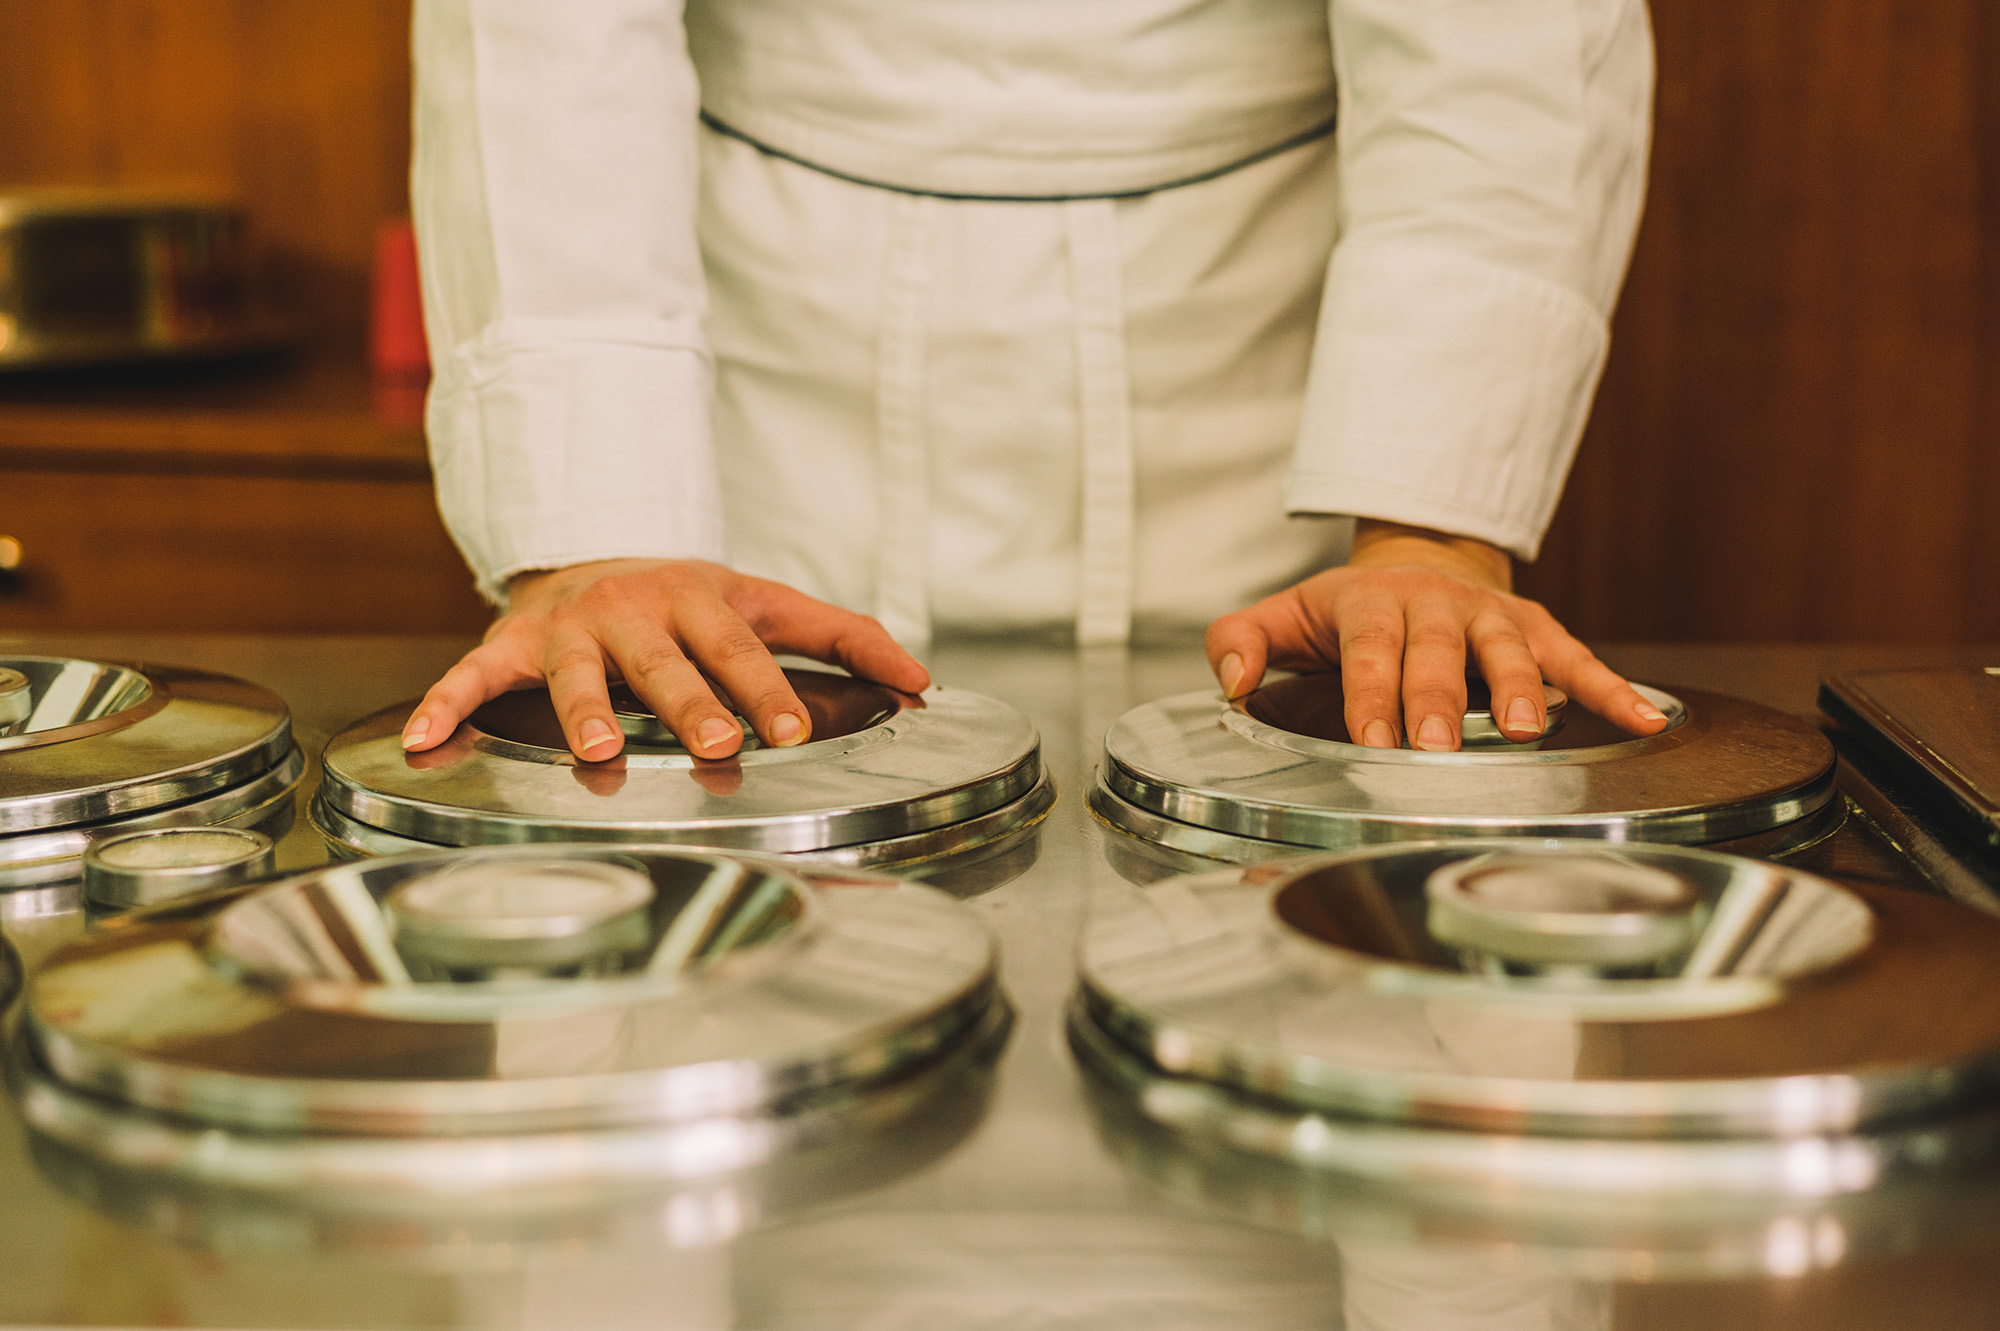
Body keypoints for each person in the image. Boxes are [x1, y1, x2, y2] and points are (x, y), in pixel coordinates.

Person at [400, 0, 1670, 763]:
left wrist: (1430, 526)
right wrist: (594, 527)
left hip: (1253, 341)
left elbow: (1496, 43)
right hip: (763, 362)